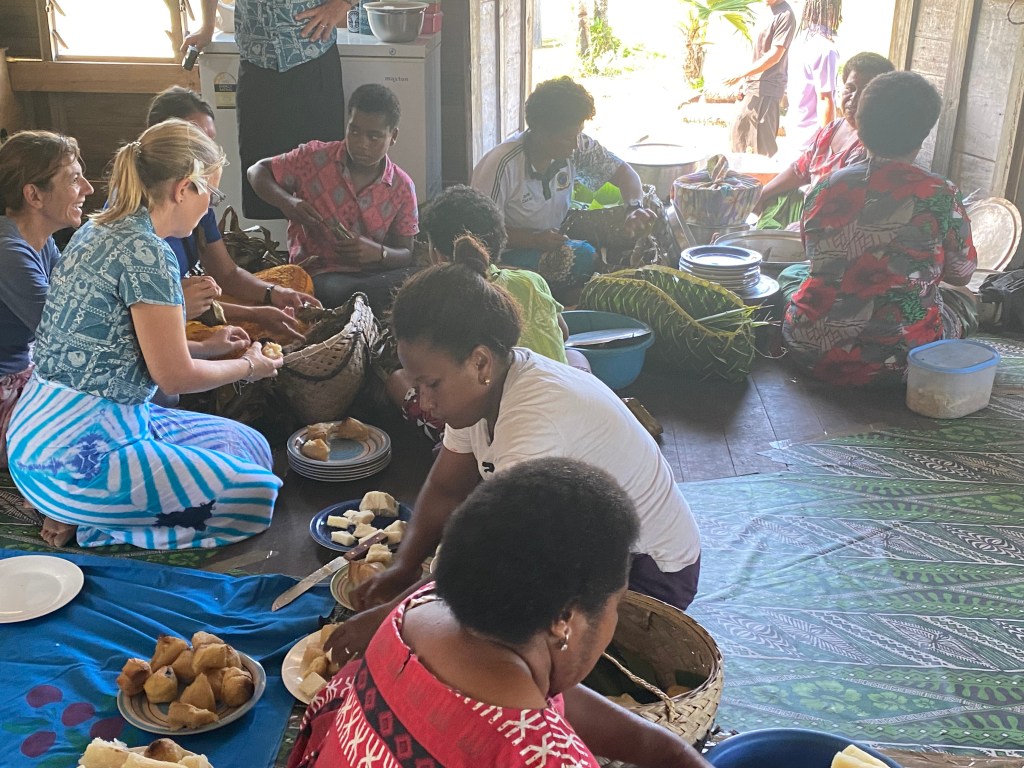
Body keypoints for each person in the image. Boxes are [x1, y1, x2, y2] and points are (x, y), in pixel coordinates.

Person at [327, 249, 702, 660]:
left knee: (490, 646)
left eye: (431, 384)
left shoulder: (535, 417)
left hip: (649, 573)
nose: (424, 401)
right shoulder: (480, 393)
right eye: (417, 385)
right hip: (589, 551)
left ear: (480, 362)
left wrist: (392, 617)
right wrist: (403, 567)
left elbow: (497, 558)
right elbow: (446, 488)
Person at [291, 459, 711, 768]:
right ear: (564, 620)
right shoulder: (548, 758)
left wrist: (665, 750)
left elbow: (541, 698)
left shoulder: (414, 614)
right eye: (614, 605)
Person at [6, 119, 283, 549]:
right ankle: (91, 519)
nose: (208, 207)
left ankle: (89, 510)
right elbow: (174, 377)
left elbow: (134, 347)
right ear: (183, 188)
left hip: (46, 436)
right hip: (76, 451)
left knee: (249, 446)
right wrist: (250, 366)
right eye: (210, 194)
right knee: (257, 493)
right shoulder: (149, 251)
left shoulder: (98, 227)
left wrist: (211, 349)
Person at [781, 71, 978, 386]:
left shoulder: (826, 186)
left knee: (793, 275)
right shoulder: (941, 193)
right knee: (964, 301)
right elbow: (961, 274)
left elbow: (813, 252)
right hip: (901, 362)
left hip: (809, 350)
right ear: (924, 134)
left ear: (860, 124)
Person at [146, 86, 319, 345]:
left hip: (188, 305)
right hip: (168, 322)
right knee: (234, 342)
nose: (208, 151)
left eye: (210, 140)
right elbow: (153, 317)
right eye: (197, 140)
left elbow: (226, 274)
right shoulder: (138, 233)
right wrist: (246, 327)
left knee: (294, 281)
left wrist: (272, 295)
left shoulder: (195, 198)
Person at [471, 76, 657, 291]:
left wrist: (634, 208)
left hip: (555, 232)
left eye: (578, 134)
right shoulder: (502, 164)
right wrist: (534, 240)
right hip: (508, 253)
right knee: (580, 256)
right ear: (540, 131)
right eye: (568, 137)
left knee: (648, 213)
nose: (576, 145)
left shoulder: (576, 148)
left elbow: (625, 173)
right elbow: (482, 233)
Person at [247, 83, 419, 311]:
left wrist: (379, 253)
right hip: (318, 275)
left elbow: (406, 253)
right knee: (347, 293)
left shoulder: (402, 186)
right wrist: (287, 202)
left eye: (374, 136)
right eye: (354, 131)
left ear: (393, 136)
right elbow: (256, 171)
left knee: (420, 280)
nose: (361, 143)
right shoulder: (313, 158)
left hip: (375, 276)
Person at [184, 0, 350, 220]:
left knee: (321, 178)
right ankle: (267, 241)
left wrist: (343, 4)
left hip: (313, 58)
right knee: (260, 174)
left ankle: (319, 241)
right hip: (257, 65)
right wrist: (207, 27)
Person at [0, 131, 93, 469]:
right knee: (96, 429)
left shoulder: (41, 241)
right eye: (74, 179)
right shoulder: (8, 252)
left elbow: (78, 302)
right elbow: (67, 331)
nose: (88, 189)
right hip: (5, 389)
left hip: (24, 372)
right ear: (34, 195)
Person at [754, 52, 895, 229]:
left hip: (833, 225)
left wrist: (805, 227)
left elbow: (848, 205)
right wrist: (760, 196)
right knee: (776, 199)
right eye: (850, 88)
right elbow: (800, 169)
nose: (854, 98)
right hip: (810, 213)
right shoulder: (833, 128)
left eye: (865, 92)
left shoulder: (872, 146)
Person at [725, 0, 797, 157]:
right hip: (751, 87)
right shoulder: (765, 10)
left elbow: (775, 55)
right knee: (738, 139)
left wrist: (742, 73)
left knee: (762, 149)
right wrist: (745, 79)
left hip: (767, 90)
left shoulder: (786, 15)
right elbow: (757, 52)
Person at [785, 0, 842, 153]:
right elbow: (825, 99)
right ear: (831, 9)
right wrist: (825, 146)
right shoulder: (825, 49)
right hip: (812, 139)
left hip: (795, 131)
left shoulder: (799, 42)